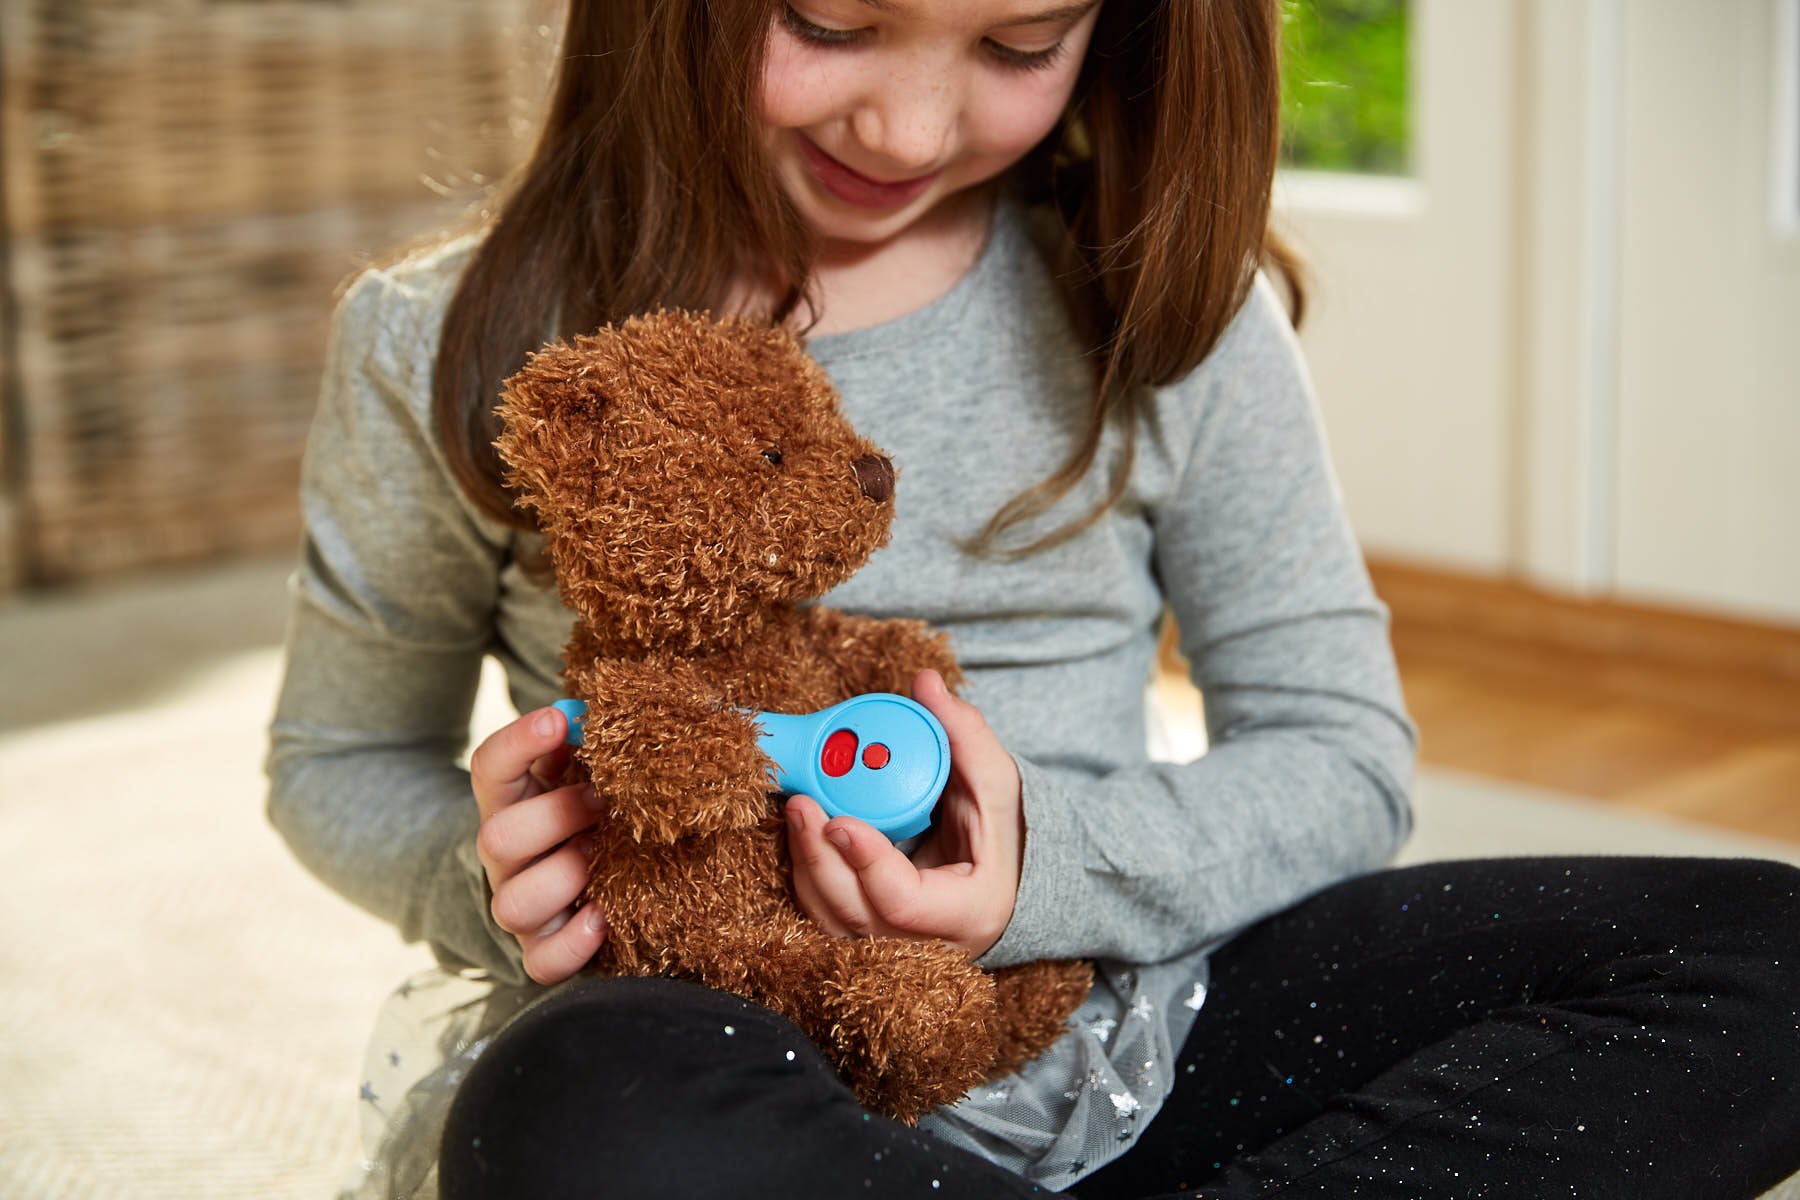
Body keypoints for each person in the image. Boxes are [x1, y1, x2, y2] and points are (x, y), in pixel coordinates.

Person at [266, 1, 1800, 1196]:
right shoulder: (446, 340)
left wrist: (1041, 875)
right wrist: (504, 884)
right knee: (574, 1109)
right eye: (831, 24)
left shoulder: (1164, 307)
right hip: (709, 1041)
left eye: (1019, 45)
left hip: (1127, 1016)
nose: (910, 119)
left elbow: (1340, 758)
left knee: (1769, 957)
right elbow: (336, 763)